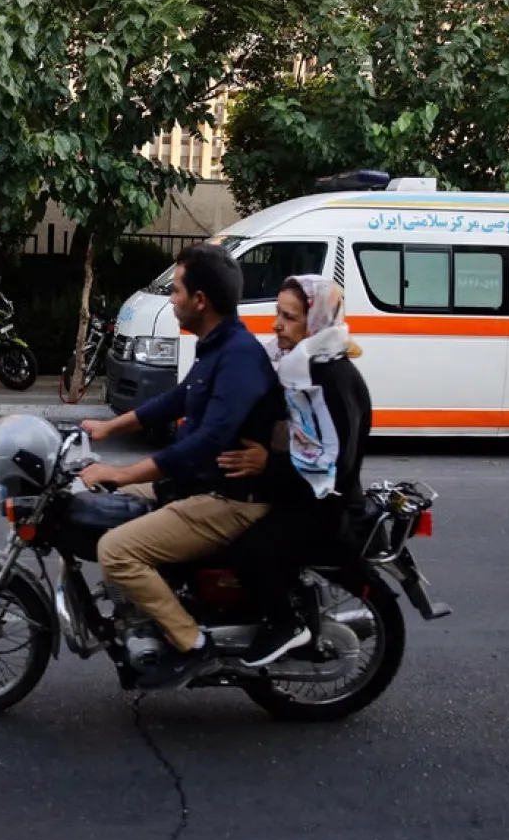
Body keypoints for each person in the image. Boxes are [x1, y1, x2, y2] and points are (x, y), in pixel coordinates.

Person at [78, 242, 282, 690]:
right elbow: (177, 399)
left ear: (200, 300)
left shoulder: (239, 357)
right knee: (90, 503)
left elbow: (207, 443)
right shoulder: (217, 347)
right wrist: (110, 428)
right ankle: (148, 608)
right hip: (198, 486)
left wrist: (122, 472)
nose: (171, 300)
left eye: (176, 291)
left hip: (227, 500)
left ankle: (193, 644)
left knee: (116, 551)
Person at [215, 274, 374, 668]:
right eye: (278, 314)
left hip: (324, 508)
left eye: (289, 317)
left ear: (315, 322)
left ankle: (284, 623)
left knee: (247, 550)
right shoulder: (299, 366)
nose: (276, 325)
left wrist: (267, 464)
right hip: (296, 493)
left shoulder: (330, 378)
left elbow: (334, 465)